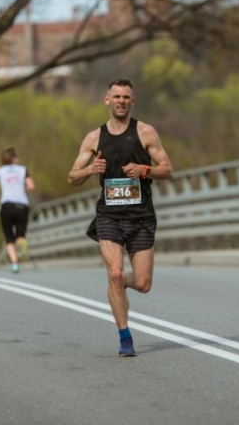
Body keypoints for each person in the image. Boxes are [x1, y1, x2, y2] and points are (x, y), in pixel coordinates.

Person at [68, 79, 173, 356]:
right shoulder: (94, 138)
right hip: (109, 217)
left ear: (133, 101)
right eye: (116, 96)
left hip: (141, 217)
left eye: (126, 96)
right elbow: (72, 177)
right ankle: (125, 336)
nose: (121, 101)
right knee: (114, 273)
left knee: (142, 284)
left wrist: (145, 170)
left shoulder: (146, 132)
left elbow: (168, 170)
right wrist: (91, 170)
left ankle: (119, 283)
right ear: (107, 100)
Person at [0, 146, 35, 274]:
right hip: (22, 205)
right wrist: (24, 190)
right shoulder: (23, 170)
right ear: (14, 158)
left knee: (9, 237)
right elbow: (31, 186)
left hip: (7, 205)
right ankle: (22, 243)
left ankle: (15, 263)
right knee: (20, 235)